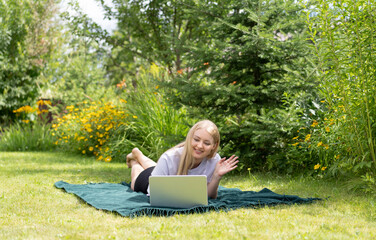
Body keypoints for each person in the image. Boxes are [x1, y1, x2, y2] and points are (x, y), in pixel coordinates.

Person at [126, 120, 239, 199]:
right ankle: (134, 160)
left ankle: (138, 154)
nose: (200, 146)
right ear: (190, 138)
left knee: (154, 167)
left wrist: (216, 177)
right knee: (135, 179)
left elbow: (210, 196)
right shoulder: (169, 157)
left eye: (206, 143)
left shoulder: (215, 160)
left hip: (161, 170)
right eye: (196, 139)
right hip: (148, 181)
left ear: (214, 146)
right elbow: (152, 193)